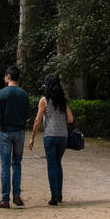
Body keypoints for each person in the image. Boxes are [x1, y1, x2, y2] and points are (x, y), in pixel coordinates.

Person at [29, 74, 74, 206]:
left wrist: (32, 137)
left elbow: (37, 121)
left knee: (51, 165)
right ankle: (59, 194)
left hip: (50, 135)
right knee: (58, 163)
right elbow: (70, 119)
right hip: (63, 136)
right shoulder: (63, 101)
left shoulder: (44, 100)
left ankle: (54, 196)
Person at [0, 66, 30, 208]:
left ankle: (5, 198)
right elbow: (27, 115)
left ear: (8, 76)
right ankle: (17, 195)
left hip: (6, 131)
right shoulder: (24, 94)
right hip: (20, 132)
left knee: (5, 165)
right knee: (17, 163)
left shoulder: (1, 94)